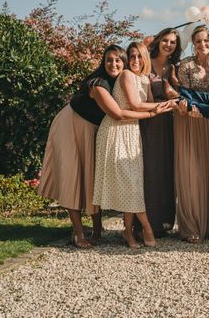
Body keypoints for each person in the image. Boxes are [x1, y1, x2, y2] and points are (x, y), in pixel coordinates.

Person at [39, 45, 129, 248]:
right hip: (70, 125)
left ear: (124, 63)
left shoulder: (120, 83)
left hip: (92, 129)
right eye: (108, 60)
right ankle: (78, 233)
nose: (113, 64)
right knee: (74, 175)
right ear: (103, 62)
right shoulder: (98, 83)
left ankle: (97, 229)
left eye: (118, 60)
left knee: (93, 177)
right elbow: (116, 114)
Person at [93, 42, 174, 248]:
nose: (135, 61)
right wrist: (163, 107)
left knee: (134, 183)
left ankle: (127, 232)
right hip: (115, 130)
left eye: (139, 56)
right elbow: (137, 105)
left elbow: (147, 100)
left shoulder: (145, 78)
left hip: (132, 132)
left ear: (145, 58)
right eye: (131, 57)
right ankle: (146, 228)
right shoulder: (126, 75)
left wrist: (168, 94)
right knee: (131, 183)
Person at [174, 25, 209, 243]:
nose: (203, 44)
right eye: (199, 41)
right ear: (193, 43)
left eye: (206, 41)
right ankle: (189, 224)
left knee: (206, 170)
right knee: (190, 171)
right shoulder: (185, 65)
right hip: (189, 120)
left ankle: (206, 224)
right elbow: (184, 93)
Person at [136, 28, 182, 237]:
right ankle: (144, 223)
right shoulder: (145, 63)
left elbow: (183, 95)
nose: (168, 45)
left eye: (172, 42)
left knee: (167, 169)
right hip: (149, 122)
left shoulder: (176, 68)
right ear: (158, 41)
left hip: (171, 124)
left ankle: (164, 222)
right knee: (149, 169)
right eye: (165, 40)